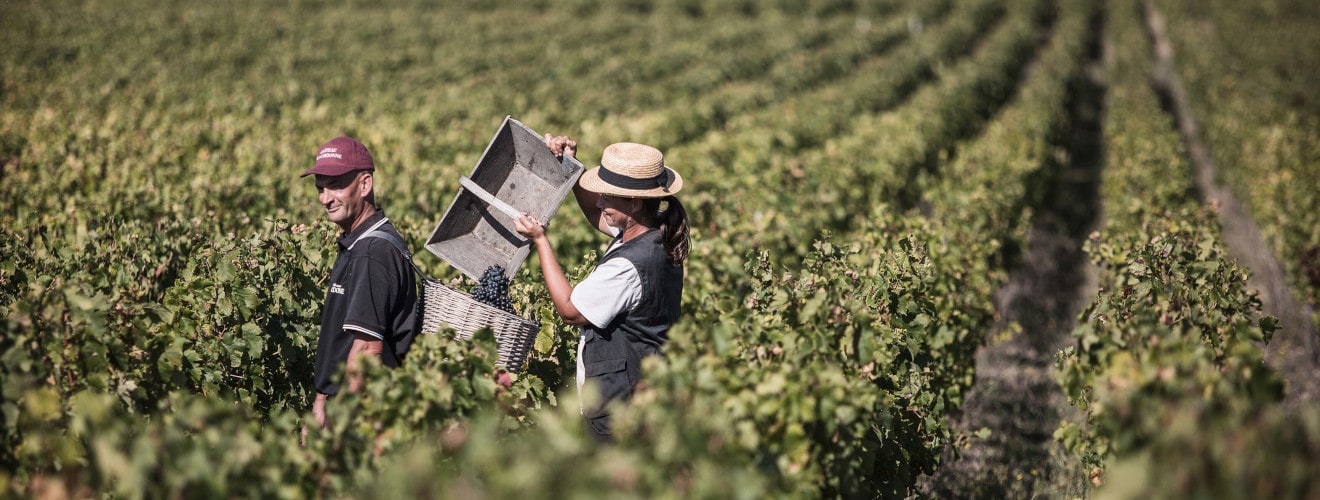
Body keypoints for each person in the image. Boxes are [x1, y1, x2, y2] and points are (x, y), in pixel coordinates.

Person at [514, 136, 689, 442]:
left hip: (621, 409)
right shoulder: (654, 229)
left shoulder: (627, 267)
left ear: (634, 203)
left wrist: (540, 241)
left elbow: (570, 311)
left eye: (608, 197)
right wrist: (569, 165)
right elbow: (599, 217)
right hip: (644, 395)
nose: (599, 203)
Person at [302, 136, 418, 428]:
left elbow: (367, 349)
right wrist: (321, 398)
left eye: (336, 185)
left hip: (363, 416)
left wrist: (336, 427)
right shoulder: (360, 243)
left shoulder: (372, 251)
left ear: (365, 185)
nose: (325, 198)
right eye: (320, 188)